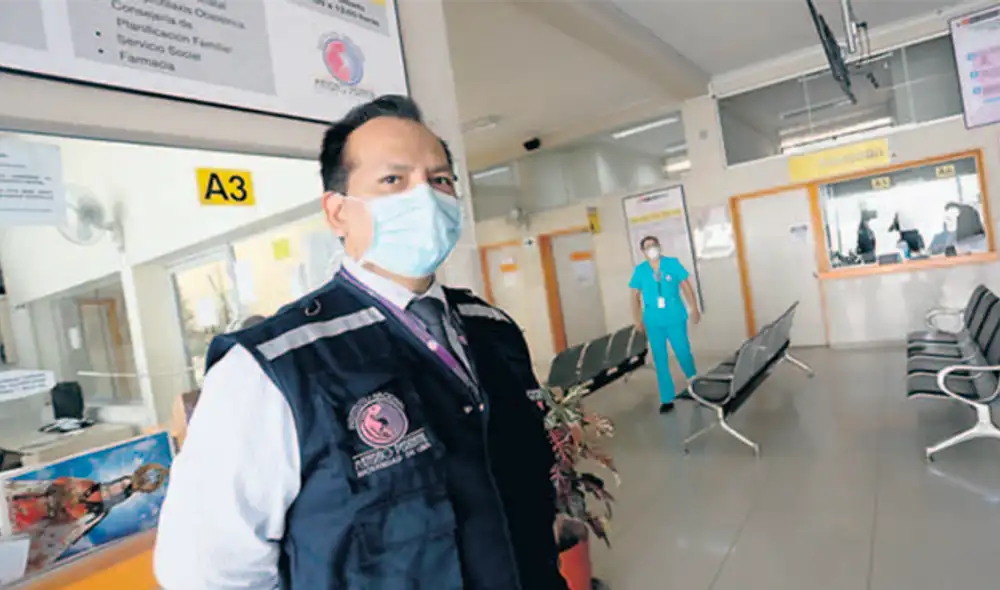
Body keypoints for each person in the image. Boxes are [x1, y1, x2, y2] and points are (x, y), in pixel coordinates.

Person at [153, 95, 567, 590]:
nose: (426, 197)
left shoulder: (493, 329)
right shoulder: (272, 369)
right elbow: (205, 573)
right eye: (394, 180)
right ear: (337, 213)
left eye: (440, 180)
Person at [629, 236, 700, 413]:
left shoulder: (672, 264)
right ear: (643, 252)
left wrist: (694, 307)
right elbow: (634, 296)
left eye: (653, 245)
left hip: (675, 317)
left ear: (659, 247)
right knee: (660, 358)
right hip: (653, 321)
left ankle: (693, 383)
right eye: (647, 247)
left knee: (683, 350)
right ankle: (666, 398)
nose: (651, 249)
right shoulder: (640, 270)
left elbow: (686, 286)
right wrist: (637, 319)